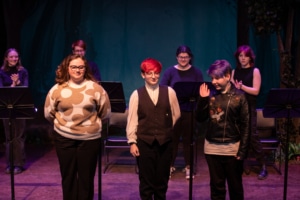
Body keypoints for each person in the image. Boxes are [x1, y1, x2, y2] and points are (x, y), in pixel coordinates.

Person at [44, 54, 110, 199]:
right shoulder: (57, 89)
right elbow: (49, 113)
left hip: (89, 139)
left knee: (86, 179)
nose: (77, 70)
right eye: (74, 67)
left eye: (81, 67)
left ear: (85, 69)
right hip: (64, 139)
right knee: (68, 177)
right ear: (67, 68)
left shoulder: (96, 89)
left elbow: (105, 113)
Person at [126, 58, 180, 200]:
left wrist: (165, 129)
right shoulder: (136, 95)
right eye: (149, 73)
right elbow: (132, 120)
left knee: (162, 182)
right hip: (145, 143)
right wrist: (132, 142)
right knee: (146, 182)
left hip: (165, 143)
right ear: (143, 75)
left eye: (156, 73)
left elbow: (176, 114)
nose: (153, 76)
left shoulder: (169, 92)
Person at [195, 59, 250, 200]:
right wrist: (202, 100)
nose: (213, 81)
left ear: (227, 76)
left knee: (235, 188)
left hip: (232, 149)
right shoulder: (210, 95)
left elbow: (245, 125)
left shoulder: (240, 97)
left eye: (217, 78)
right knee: (216, 187)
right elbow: (200, 118)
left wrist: (242, 151)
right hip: (212, 148)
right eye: (212, 78)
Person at [160, 45, 203, 179]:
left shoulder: (196, 72)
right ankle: (169, 165)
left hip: (189, 110)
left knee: (188, 140)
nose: (183, 59)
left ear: (190, 57)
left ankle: (189, 166)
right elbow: (163, 90)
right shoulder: (170, 72)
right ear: (176, 57)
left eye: (186, 57)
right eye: (180, 57)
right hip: (173, 111)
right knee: (171, 140)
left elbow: (201, 91)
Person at [231, 45, 267, 180]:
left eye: (245, 56)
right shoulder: (235, 72)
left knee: (252, 136)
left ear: (250, 57)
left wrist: (242, 87)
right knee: (238, 136)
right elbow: (233, 90)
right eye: (240, 56)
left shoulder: (255, 71)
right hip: (238, 107)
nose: (243, 58)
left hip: (250, 107)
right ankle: (242, 164)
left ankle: (262, 165)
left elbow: (256, 91)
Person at [0, 48, 28, 174]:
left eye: (16, 57)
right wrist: (13, 84)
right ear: (6, 58)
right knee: (9, 136)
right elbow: (2, 91)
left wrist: (18, 82)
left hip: (20, 107)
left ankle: (19, 164)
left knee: (19, 136)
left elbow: (26, 89)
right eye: (11, 57)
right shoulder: (1, 72)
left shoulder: (23, 71)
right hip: (6, 108)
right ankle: (9, 163)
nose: (14, 59)